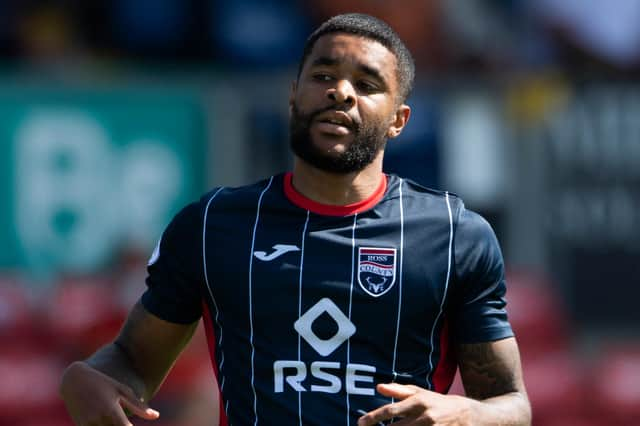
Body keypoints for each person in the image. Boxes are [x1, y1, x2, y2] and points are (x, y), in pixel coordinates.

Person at [60, 13, 531, 426]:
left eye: (366, 85)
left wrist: (467, 414)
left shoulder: (455, 235)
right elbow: (133, 360)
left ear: (398, 120)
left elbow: (510, 403)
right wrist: (92, 377)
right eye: (322, 75)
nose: (340, 92)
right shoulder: (212, 226)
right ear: (293, 95)